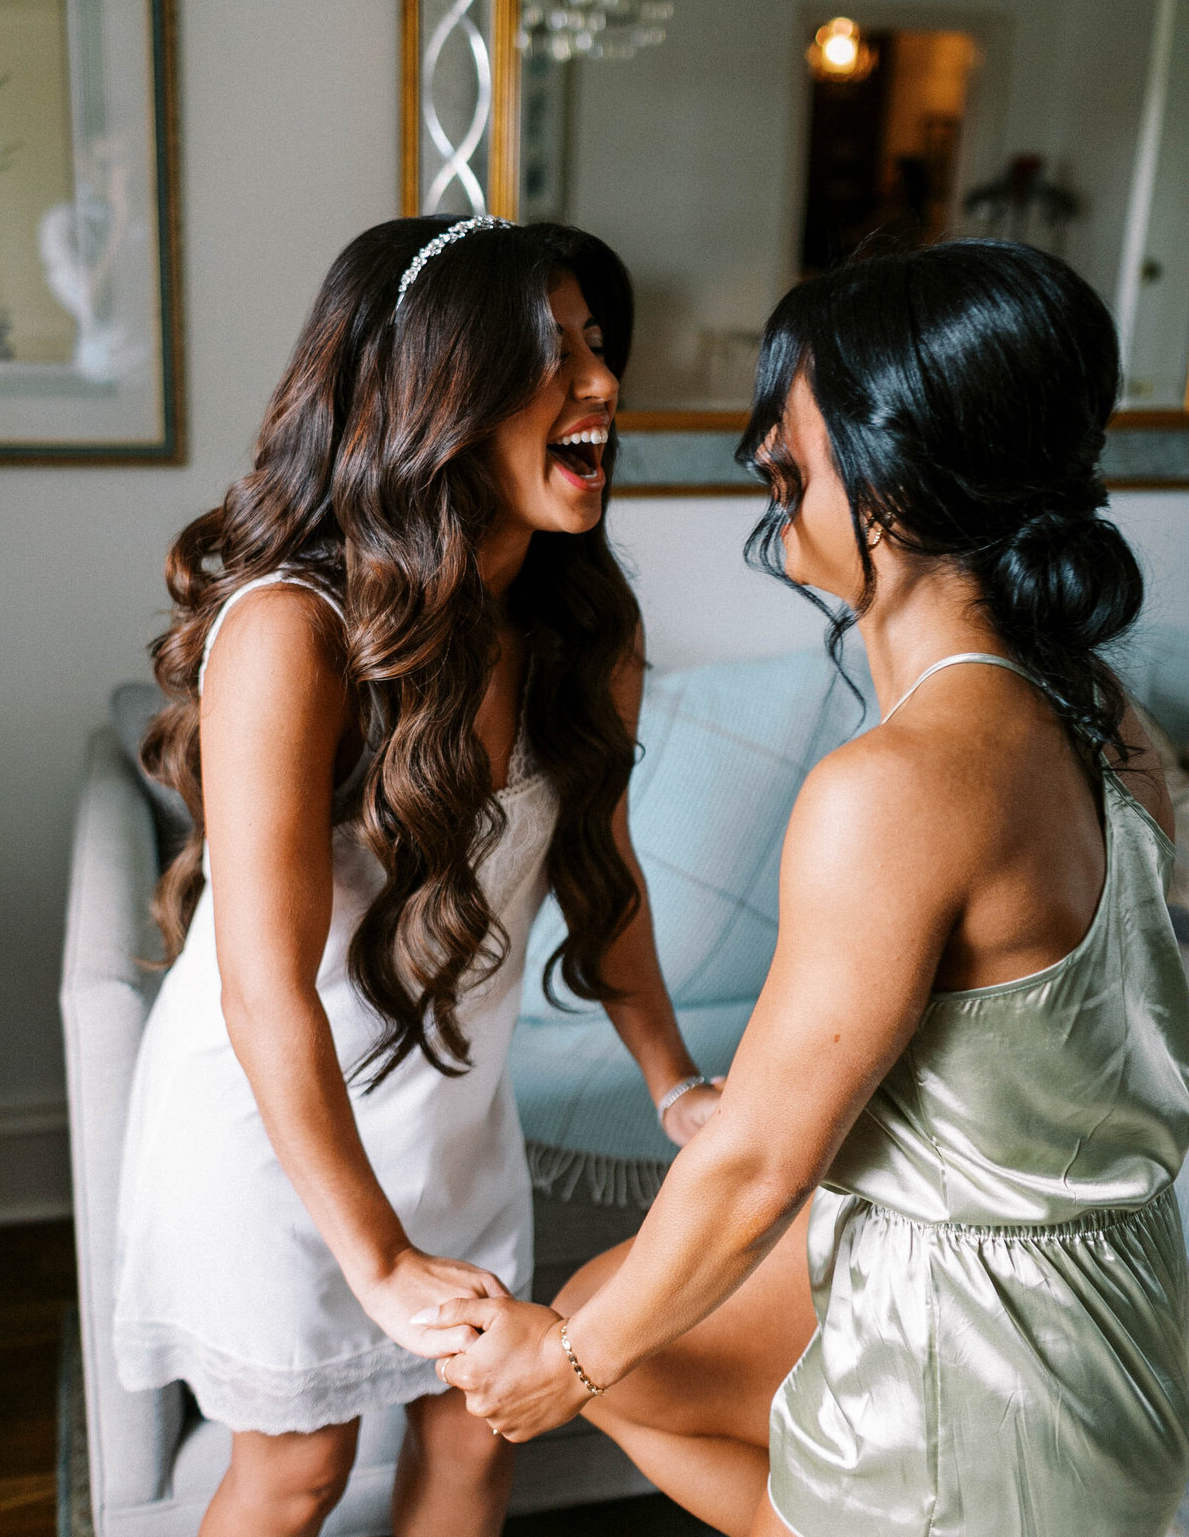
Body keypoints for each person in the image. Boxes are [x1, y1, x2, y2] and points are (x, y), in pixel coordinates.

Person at [420, 240, 1189, 1537]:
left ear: (892, 461)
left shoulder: (896, 784)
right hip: (1108, 1326)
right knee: (633, 1325)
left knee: (609, 1337)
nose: (764, 450)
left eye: (793, 419)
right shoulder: (1107, 720)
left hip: (975, 1390)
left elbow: (765, 1165)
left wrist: (559, 1363)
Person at [112, 214, 722, 1537]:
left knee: (475, 1440)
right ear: (436, 393)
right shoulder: (289, 632)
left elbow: (599, 866)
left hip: (449, 1111)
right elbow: (262, 985)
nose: (604, 386)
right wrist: (377, 1258)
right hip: (271, 1121)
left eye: (599, 348)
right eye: (553, 351)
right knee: (297, 1470)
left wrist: (677, 1082)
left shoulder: (579, 628)